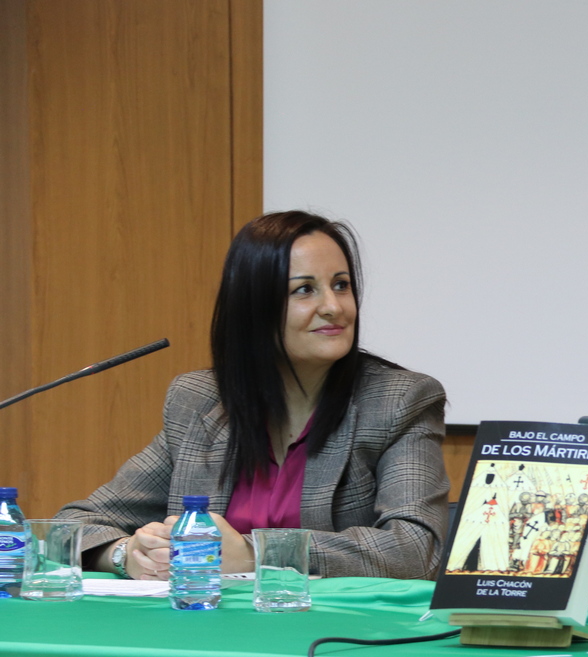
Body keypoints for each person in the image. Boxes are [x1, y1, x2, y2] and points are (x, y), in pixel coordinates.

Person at [59, 211, 451, 581]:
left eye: (341, 285)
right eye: (305, 290)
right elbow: (71, 524)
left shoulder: (398, 400)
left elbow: (417, 550)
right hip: (206, 628)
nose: (333, 307)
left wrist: (256, 553)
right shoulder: (201, 402)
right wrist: (126, 554)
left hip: (331, 635)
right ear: (253, 307)